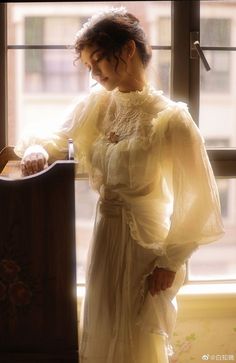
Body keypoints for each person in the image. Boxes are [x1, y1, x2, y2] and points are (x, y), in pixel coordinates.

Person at [15, 7, 224, 363]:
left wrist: (170, 261)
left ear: (128, 50)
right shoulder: (95, 105)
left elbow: (199, 199)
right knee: (102, 327)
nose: (94, 73)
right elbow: (53, 136)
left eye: (98, 61)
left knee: (136, 339)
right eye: (88, 66)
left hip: (146, 248)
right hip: (104, 238)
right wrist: (36, 148)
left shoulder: (171, 118)